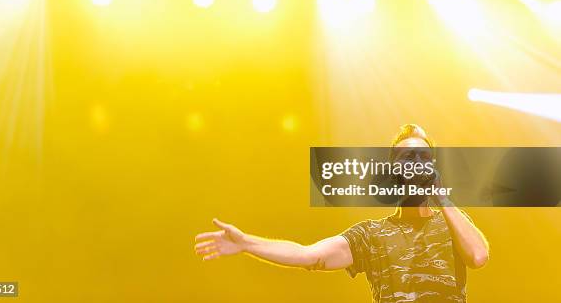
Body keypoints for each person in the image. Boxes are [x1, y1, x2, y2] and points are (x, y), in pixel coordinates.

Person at [194, 124, 489, 303]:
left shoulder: (452, 220)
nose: (416, 163)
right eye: (407, 157)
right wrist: (247, 243)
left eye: (424, 157)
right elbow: (307, 255)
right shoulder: (371, 236)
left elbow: (478, 257)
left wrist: (441, 197)